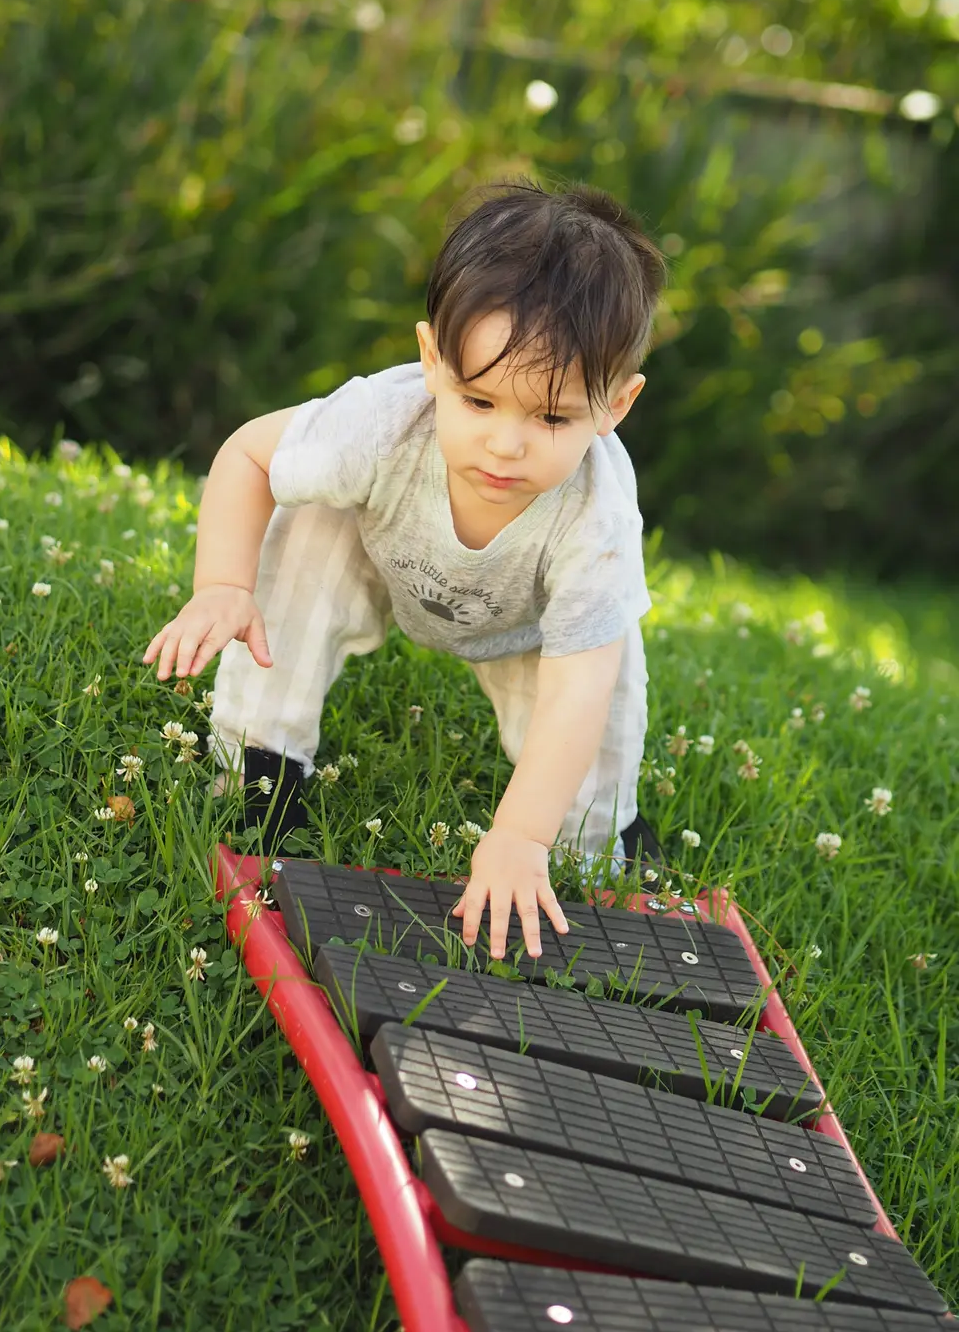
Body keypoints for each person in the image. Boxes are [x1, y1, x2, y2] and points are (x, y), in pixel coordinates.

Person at [142, 175, 665, 961]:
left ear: (613, 408)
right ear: (433, 360)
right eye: (480, 401)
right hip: (380, 550)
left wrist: (520, 835)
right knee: (308, 525)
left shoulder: (597, 519)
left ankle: (598, 840)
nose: (506, 443)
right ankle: (260, 766)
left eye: (552, 417)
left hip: (531, 626)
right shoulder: (383, 424)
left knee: (594, 750)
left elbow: (577, 693)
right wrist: (222, 583)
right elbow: (249, 453)